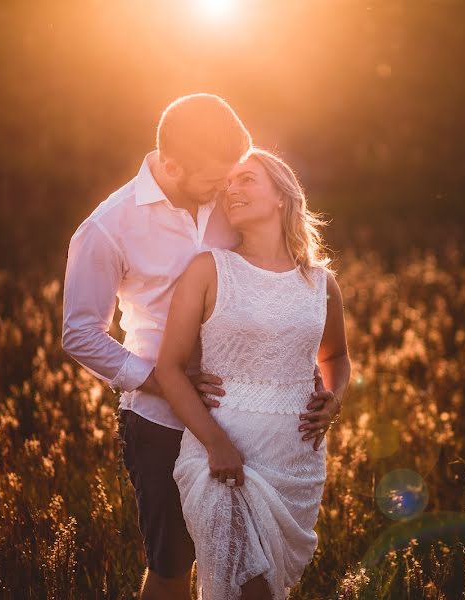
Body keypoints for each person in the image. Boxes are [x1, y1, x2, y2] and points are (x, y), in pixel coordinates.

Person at [62, 94, 343, 600]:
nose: (226, 190)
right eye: (218, 181)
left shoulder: (229, 198)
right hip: (158, 419)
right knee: (172, 565)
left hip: (253, 424)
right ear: (172, 166)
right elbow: (80, 333)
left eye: (236, 177)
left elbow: (275, 283)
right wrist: (161, 381)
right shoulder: (108, 227)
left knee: (244, 569)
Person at [154, 148, 350, 599]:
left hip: (293, 462)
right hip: (220, 458)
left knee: (266, 588)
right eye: (229, 184)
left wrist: (334, 398)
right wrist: (216, 444)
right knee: (248, 587)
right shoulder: (209, 269)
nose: (232, 190)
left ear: (282, 196)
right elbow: (169, 369)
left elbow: (336, 355)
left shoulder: (320, 283)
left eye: (247, 180)